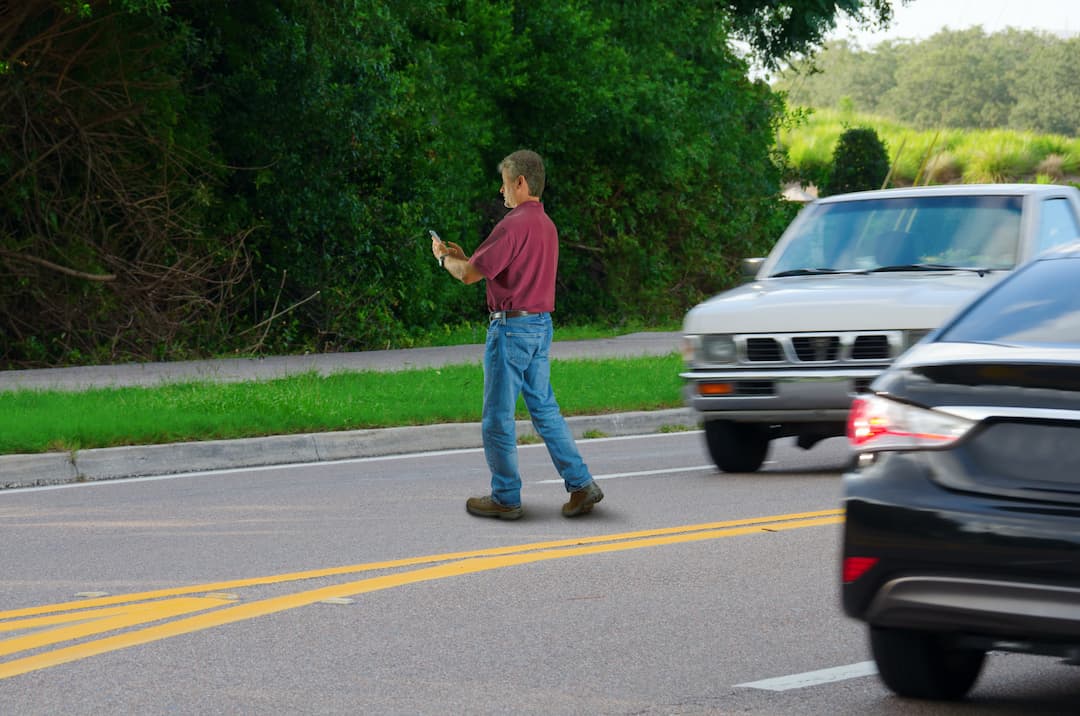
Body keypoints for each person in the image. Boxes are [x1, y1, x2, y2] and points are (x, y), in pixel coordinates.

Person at [431, 149, 603, 521]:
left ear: (521, 182)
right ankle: (581, 484)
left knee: (497, 416)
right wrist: (466, 257)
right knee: (544, 410)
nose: (501, 190)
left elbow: (468, 275)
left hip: (511, 329)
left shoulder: (513, 223)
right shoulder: (546, 225)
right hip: (540, 325)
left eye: (506, 182)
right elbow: (491, 266)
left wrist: (444, 258)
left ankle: (505, 496)